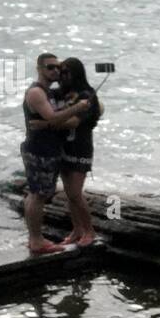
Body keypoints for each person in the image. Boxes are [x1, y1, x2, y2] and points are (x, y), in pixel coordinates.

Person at [20, 53, 90, 254]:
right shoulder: (36, 92)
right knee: (38, 195)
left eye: (58, 67)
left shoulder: (49, 92)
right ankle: (36, 240)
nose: (55, 71)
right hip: (39, 150)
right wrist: (77, 107)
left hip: (48, 149)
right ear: (40, 69)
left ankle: (35, 238)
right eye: (50, 67)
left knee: (36, 194)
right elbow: (53, 117)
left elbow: (55, 120)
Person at [56, 57, 103, 245]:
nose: (62, 76)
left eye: (66, 72)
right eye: (61, 72)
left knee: (75, 192)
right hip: (63, 146)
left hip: (80, 147)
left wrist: (49, 123)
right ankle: (76, 229)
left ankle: (90, 231)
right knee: (69, 193)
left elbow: (75, 121)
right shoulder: (61, 93)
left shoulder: (87, 94)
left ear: (76, 73)